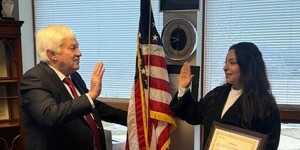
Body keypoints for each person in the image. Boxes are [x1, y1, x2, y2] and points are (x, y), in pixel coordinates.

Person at [19, 24, 127, 150]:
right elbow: (49, 115)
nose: (79, 53)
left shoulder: (73, 76)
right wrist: (91, 94)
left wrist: (131, 118)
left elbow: (91, 105)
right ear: (52, 54)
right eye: (72, 48)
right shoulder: (34, 79)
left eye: (78, 47)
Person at [169, 42, 281, 150]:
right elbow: (195, 115)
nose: (225, 67)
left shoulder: (266, 104)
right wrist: (183, 88)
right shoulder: (218, 93)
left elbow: (269, 145)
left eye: (232, 63)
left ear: (248, 66)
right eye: (226, 62)